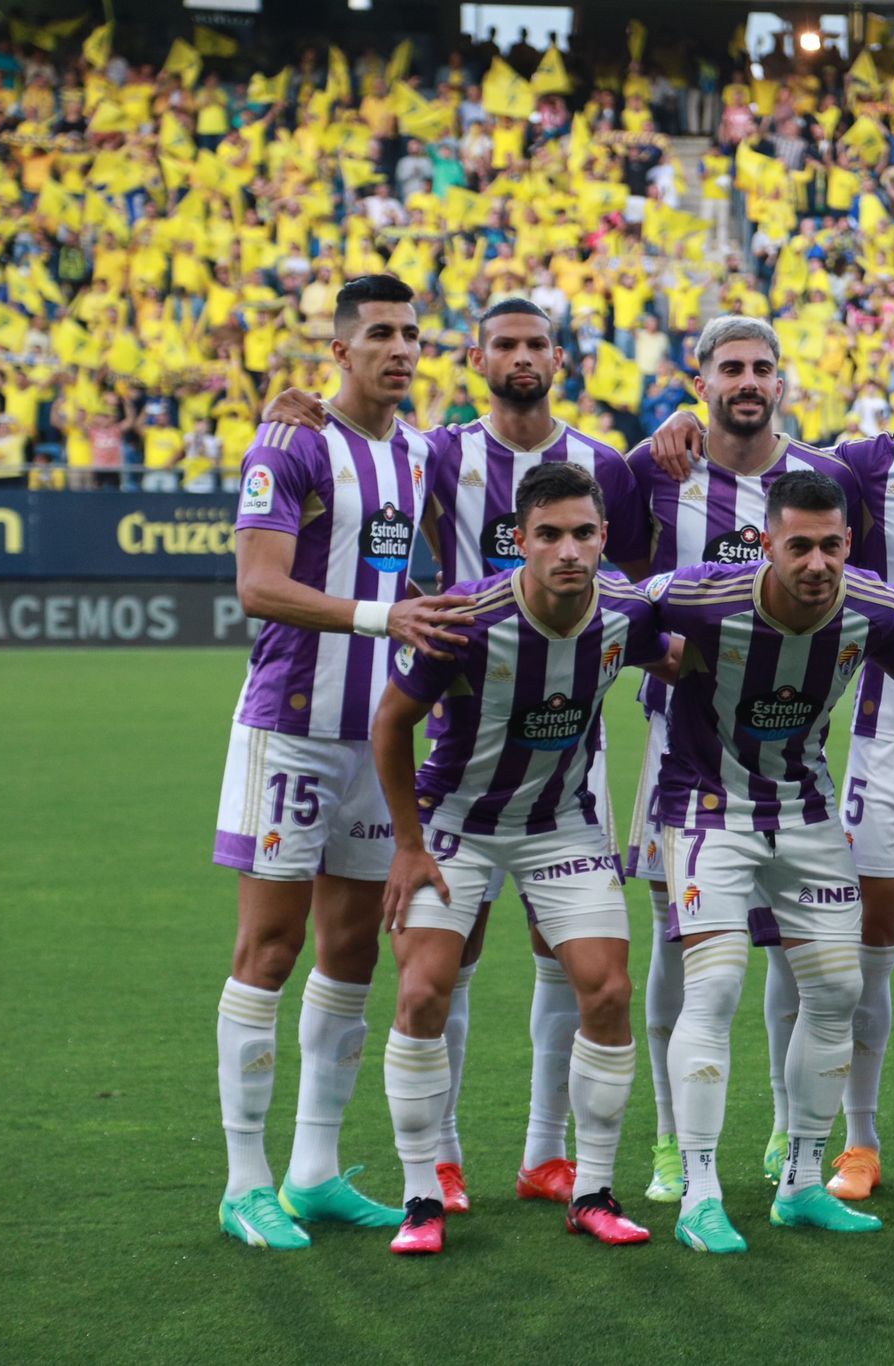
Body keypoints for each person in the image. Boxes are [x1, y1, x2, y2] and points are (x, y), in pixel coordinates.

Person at [644, 314, 894, 1204]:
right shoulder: (859, 466)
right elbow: (741, 449)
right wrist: (678, 425)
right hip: (882, 739)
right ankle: (856, 1146)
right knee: (859, 952)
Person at [263, 296, 651, 1214]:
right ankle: (438, 1161)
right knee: (451, 953)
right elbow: (364, 449)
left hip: (566, 745)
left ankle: (548, 1153)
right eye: (503, 344)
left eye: (535, 344)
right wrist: (301, 408)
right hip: (466, 726)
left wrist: (675, 424)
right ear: (478, 356)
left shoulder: (606, 466)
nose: (521, 358)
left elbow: (630, 580)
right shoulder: (436, 450)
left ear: (559, 355)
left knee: (567, 957)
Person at [210, 275, 475, 1250]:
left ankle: (313, 1169)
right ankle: (245, 1181)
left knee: (352, 951)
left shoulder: (417, 453)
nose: (399, 348)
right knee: (268, 950)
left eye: (411, 333)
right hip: (289, 727)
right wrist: (381, 615)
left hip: (378, 740)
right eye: (378, 334)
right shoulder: (291, 441)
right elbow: (257, 584)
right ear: (340, 350)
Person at [651, 470, 894, 1255]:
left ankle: (802, 1183)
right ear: (764, 545)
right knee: (714, 985)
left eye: (831, 546)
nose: (817, 564)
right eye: (799, 547)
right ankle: (701, 1190)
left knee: (838, 992)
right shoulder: (698, 597)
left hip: (807, 810)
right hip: (708, 809)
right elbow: (608, 613)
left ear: (849, 544)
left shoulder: (870, 607)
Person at [370, 463, 670, 1254]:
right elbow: (390, 725)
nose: (568, 550)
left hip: (560, 824)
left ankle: (593, 1191)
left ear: (604, 538)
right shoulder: (466, 618)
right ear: (520, 542)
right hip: (454, 823)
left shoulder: (627, 614)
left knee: (606, 991)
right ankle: (420, 1198)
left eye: (583, 533)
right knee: (425, 991)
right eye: (549, 535)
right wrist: (406, 844)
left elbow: (678, 655)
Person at [615, 315, 865, 1204]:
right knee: (682, 953)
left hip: (793, 748)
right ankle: (671, 1144)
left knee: (802, 954)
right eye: (731, 368)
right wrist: (659, 659)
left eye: (762, 367)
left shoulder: (826, 480)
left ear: (782, 382)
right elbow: (617, 591)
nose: (747, 381)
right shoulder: (656, 469)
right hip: (678, 750)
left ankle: (781, 1136)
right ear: (701, 379)